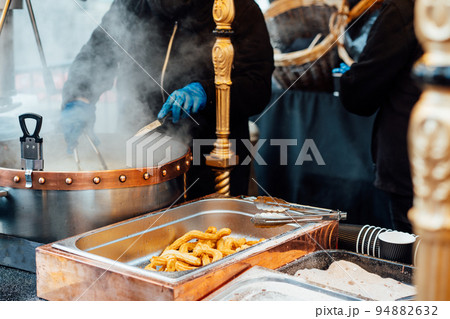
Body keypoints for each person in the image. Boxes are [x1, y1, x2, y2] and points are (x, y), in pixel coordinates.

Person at [60, 0, 274, 199]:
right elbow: (96, 55)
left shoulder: (237, 7)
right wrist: (79, 99)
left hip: (211, 157)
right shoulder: (133, 4)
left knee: (209, 234)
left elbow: (258, 86)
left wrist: (206, 92)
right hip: (138, 148)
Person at [337, 0, 422, 233]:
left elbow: (361, 93)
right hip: (417, 157)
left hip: (416, 158)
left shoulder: (406, 8)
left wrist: (348, 79)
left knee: (416, 260)